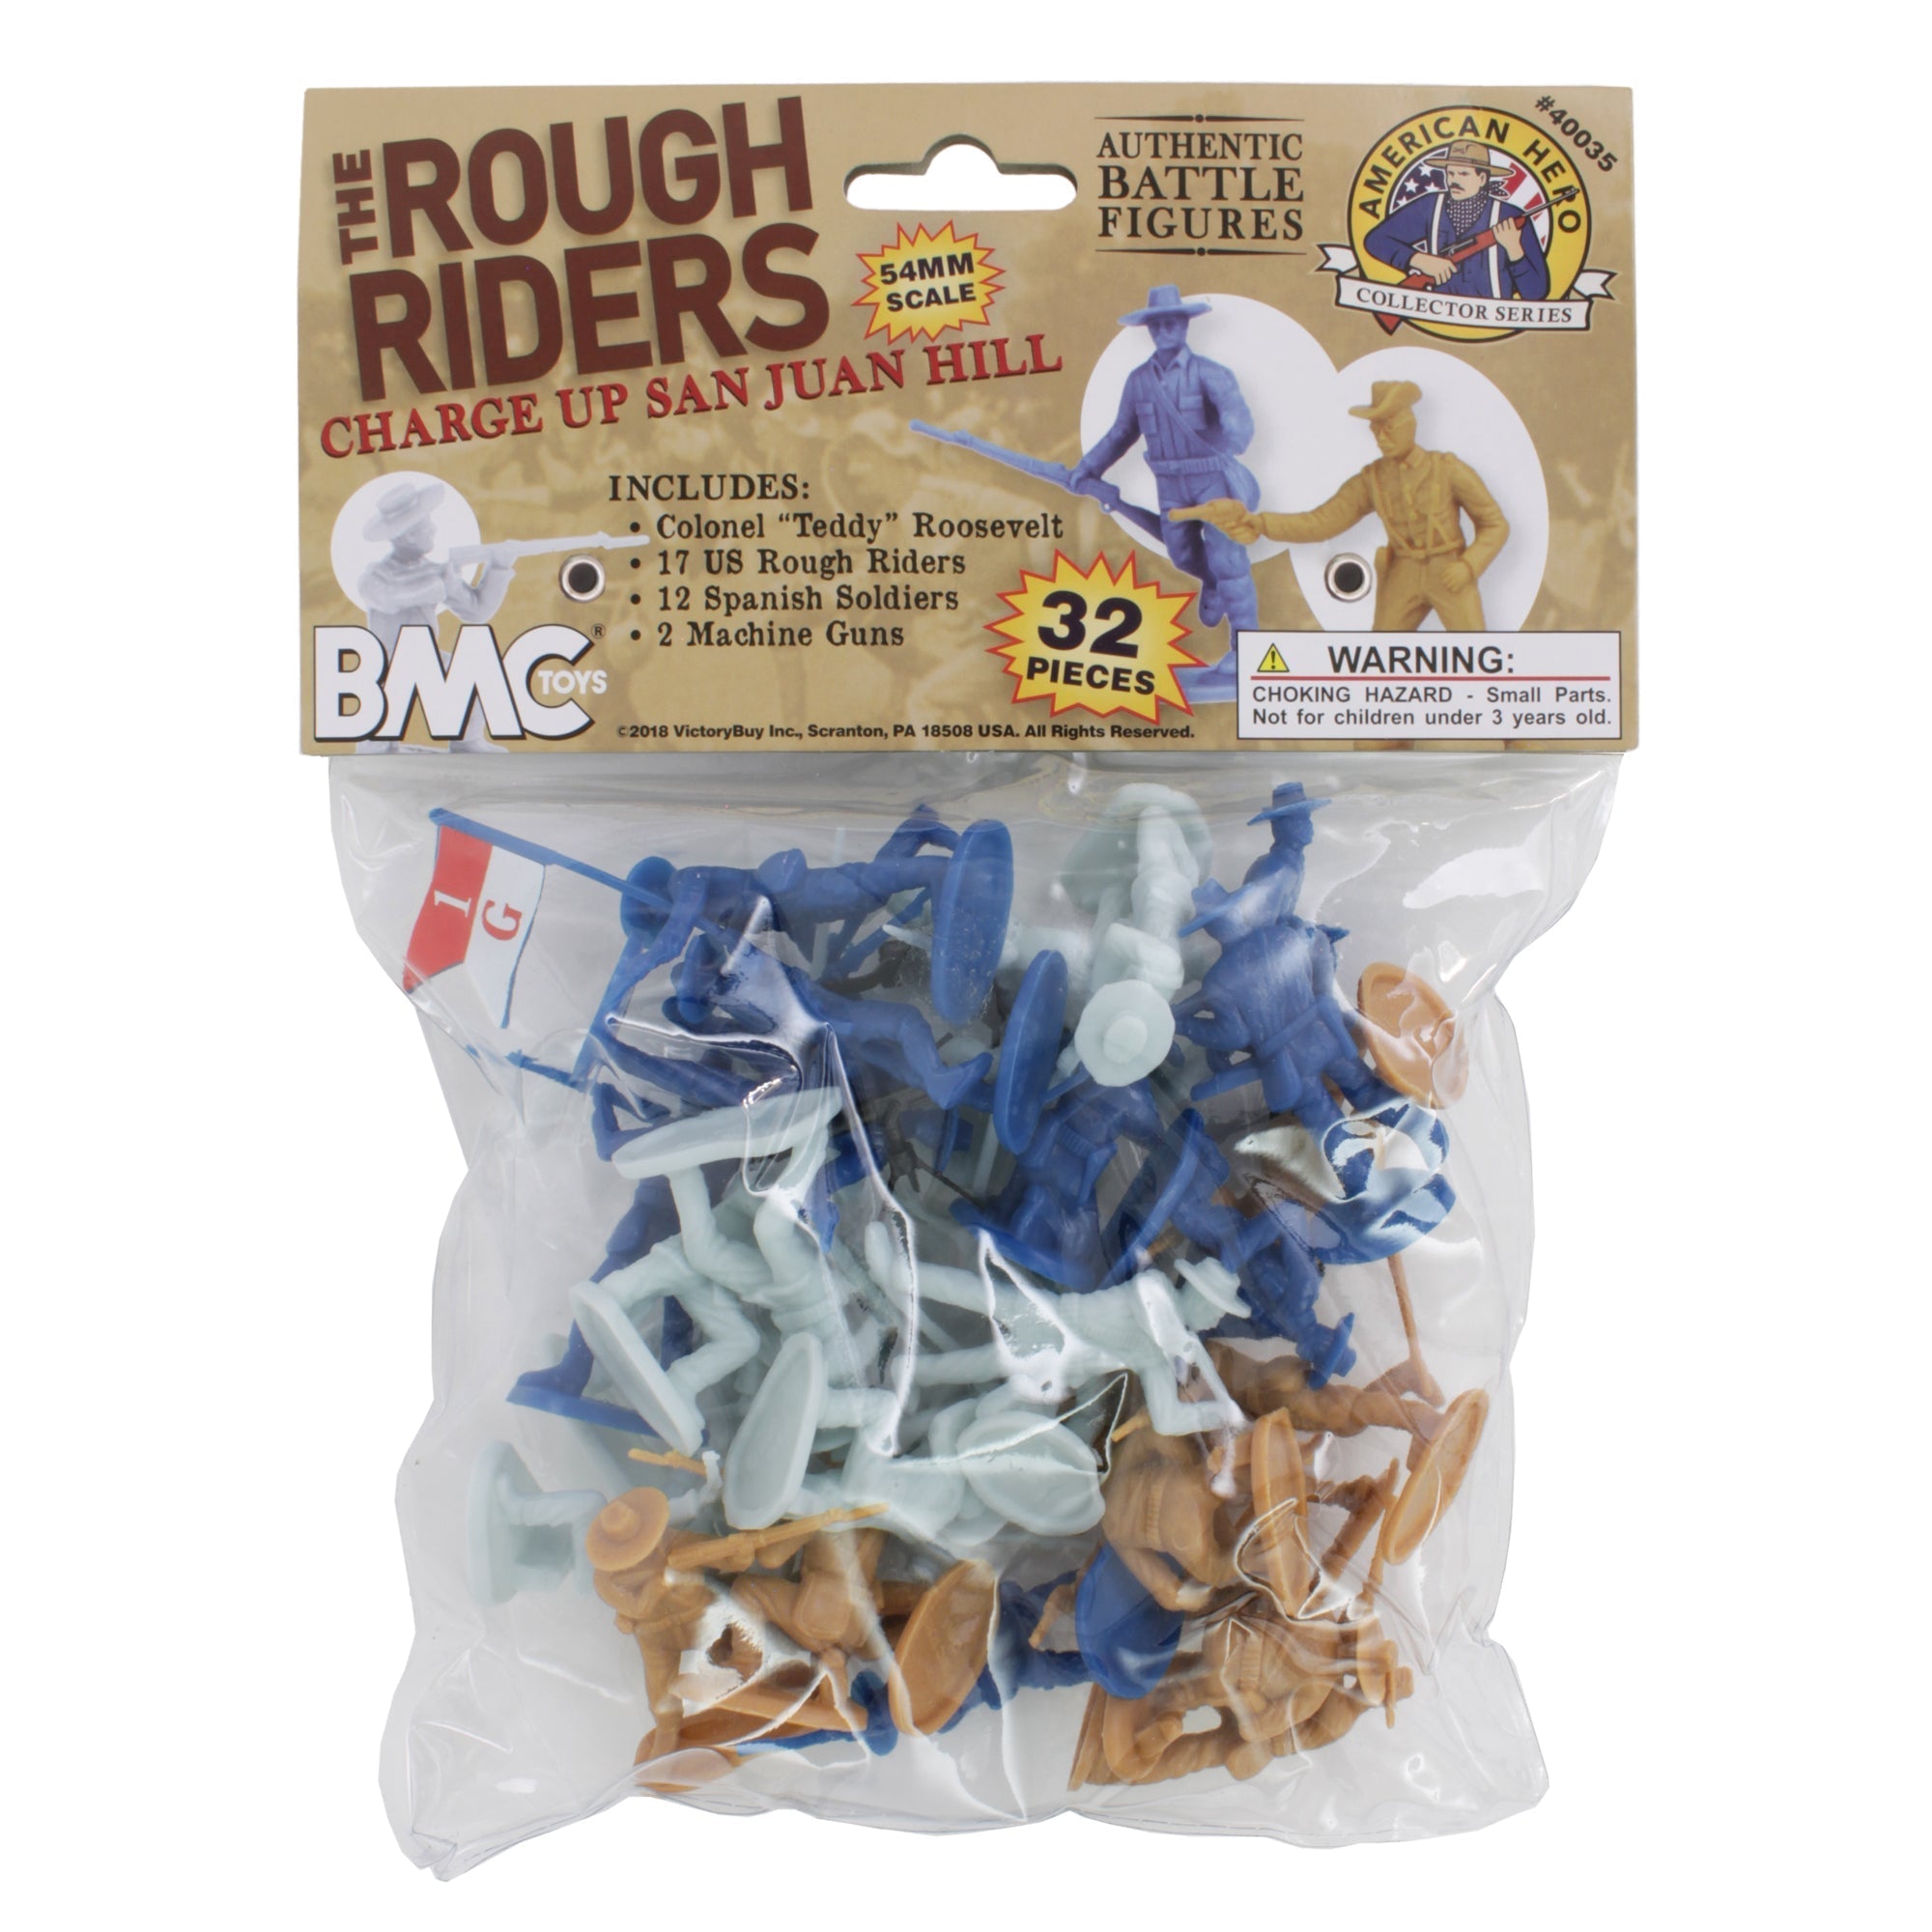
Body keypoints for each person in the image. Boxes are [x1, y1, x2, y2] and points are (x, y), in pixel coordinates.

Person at [1175, 381, 1507, 632]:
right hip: (1403, 570)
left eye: (1389, 427)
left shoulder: (1447, 470)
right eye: (1375, 429)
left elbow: (1494, 524)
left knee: (1475, 658)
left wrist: (1468, 566)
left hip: (1450, 569)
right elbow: (1323, 521)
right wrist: (1261, 523)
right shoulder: (1373, 479)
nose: (1381, 437)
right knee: (1378, 660)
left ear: (1410, 425)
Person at [1071, 286, 1260, 669]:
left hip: (1212, 478)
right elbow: (1121, 432)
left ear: (1185, 324)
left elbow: (1235, 411)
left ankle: (1246, 647)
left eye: (1171, 322)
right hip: (1169, 483)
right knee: (1182, 555)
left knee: (1228, 559)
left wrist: (1234, 431)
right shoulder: (1139, 381)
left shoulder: (1209, 372)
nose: (1164, 330)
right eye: (1157, 325)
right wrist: (1088, 467)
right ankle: (1216, 582)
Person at [1363, 138, 1549, 301]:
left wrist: (1515, 251)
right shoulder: (1430, 205)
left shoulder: (1510, 216)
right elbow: (1375, 240)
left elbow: (1537, 292)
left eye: (1463, 174)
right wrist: (1419, 260)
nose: (1454, 181)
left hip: (1493, 320)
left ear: (1482, 178)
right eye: (1450, 173)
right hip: (1436, 313)